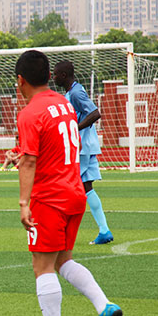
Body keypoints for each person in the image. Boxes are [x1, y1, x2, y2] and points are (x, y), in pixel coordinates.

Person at [14, 50, 122, 316]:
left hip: (49, 198)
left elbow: (30, 161)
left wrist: (23, 203)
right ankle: (104, 306)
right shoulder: (64, 103)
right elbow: (48, 144)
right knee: (63, 260)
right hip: (75, 192)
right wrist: (20, 153)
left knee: (42, 266)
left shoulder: (29, 112)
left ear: (20, 80)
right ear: (49, 76)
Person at [52, 61, 112, 245]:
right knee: (86, 187)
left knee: (66, 184)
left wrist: (74, 128)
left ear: (63, 75)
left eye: (55, 74)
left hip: (82, 146)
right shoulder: (73, 91)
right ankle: (104, 230)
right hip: (86, 145)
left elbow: (95, 113)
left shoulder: (76, 92)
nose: (53, 78)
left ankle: (58, 230)